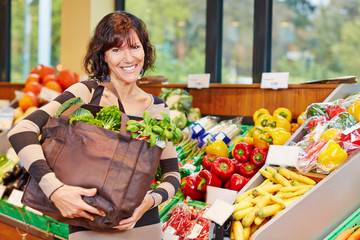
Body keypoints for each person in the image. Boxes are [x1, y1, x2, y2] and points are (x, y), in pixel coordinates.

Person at [8, 11, 180, 240]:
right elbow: (22, 131)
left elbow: (172, 175)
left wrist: (149, 201)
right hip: (88, 226)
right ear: (104, 55)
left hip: (144, 226)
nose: (128, 58)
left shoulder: (157, 108)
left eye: (135, 47)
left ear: (145, 51)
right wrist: (54, 189)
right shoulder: (87, 93)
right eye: (116, 50)